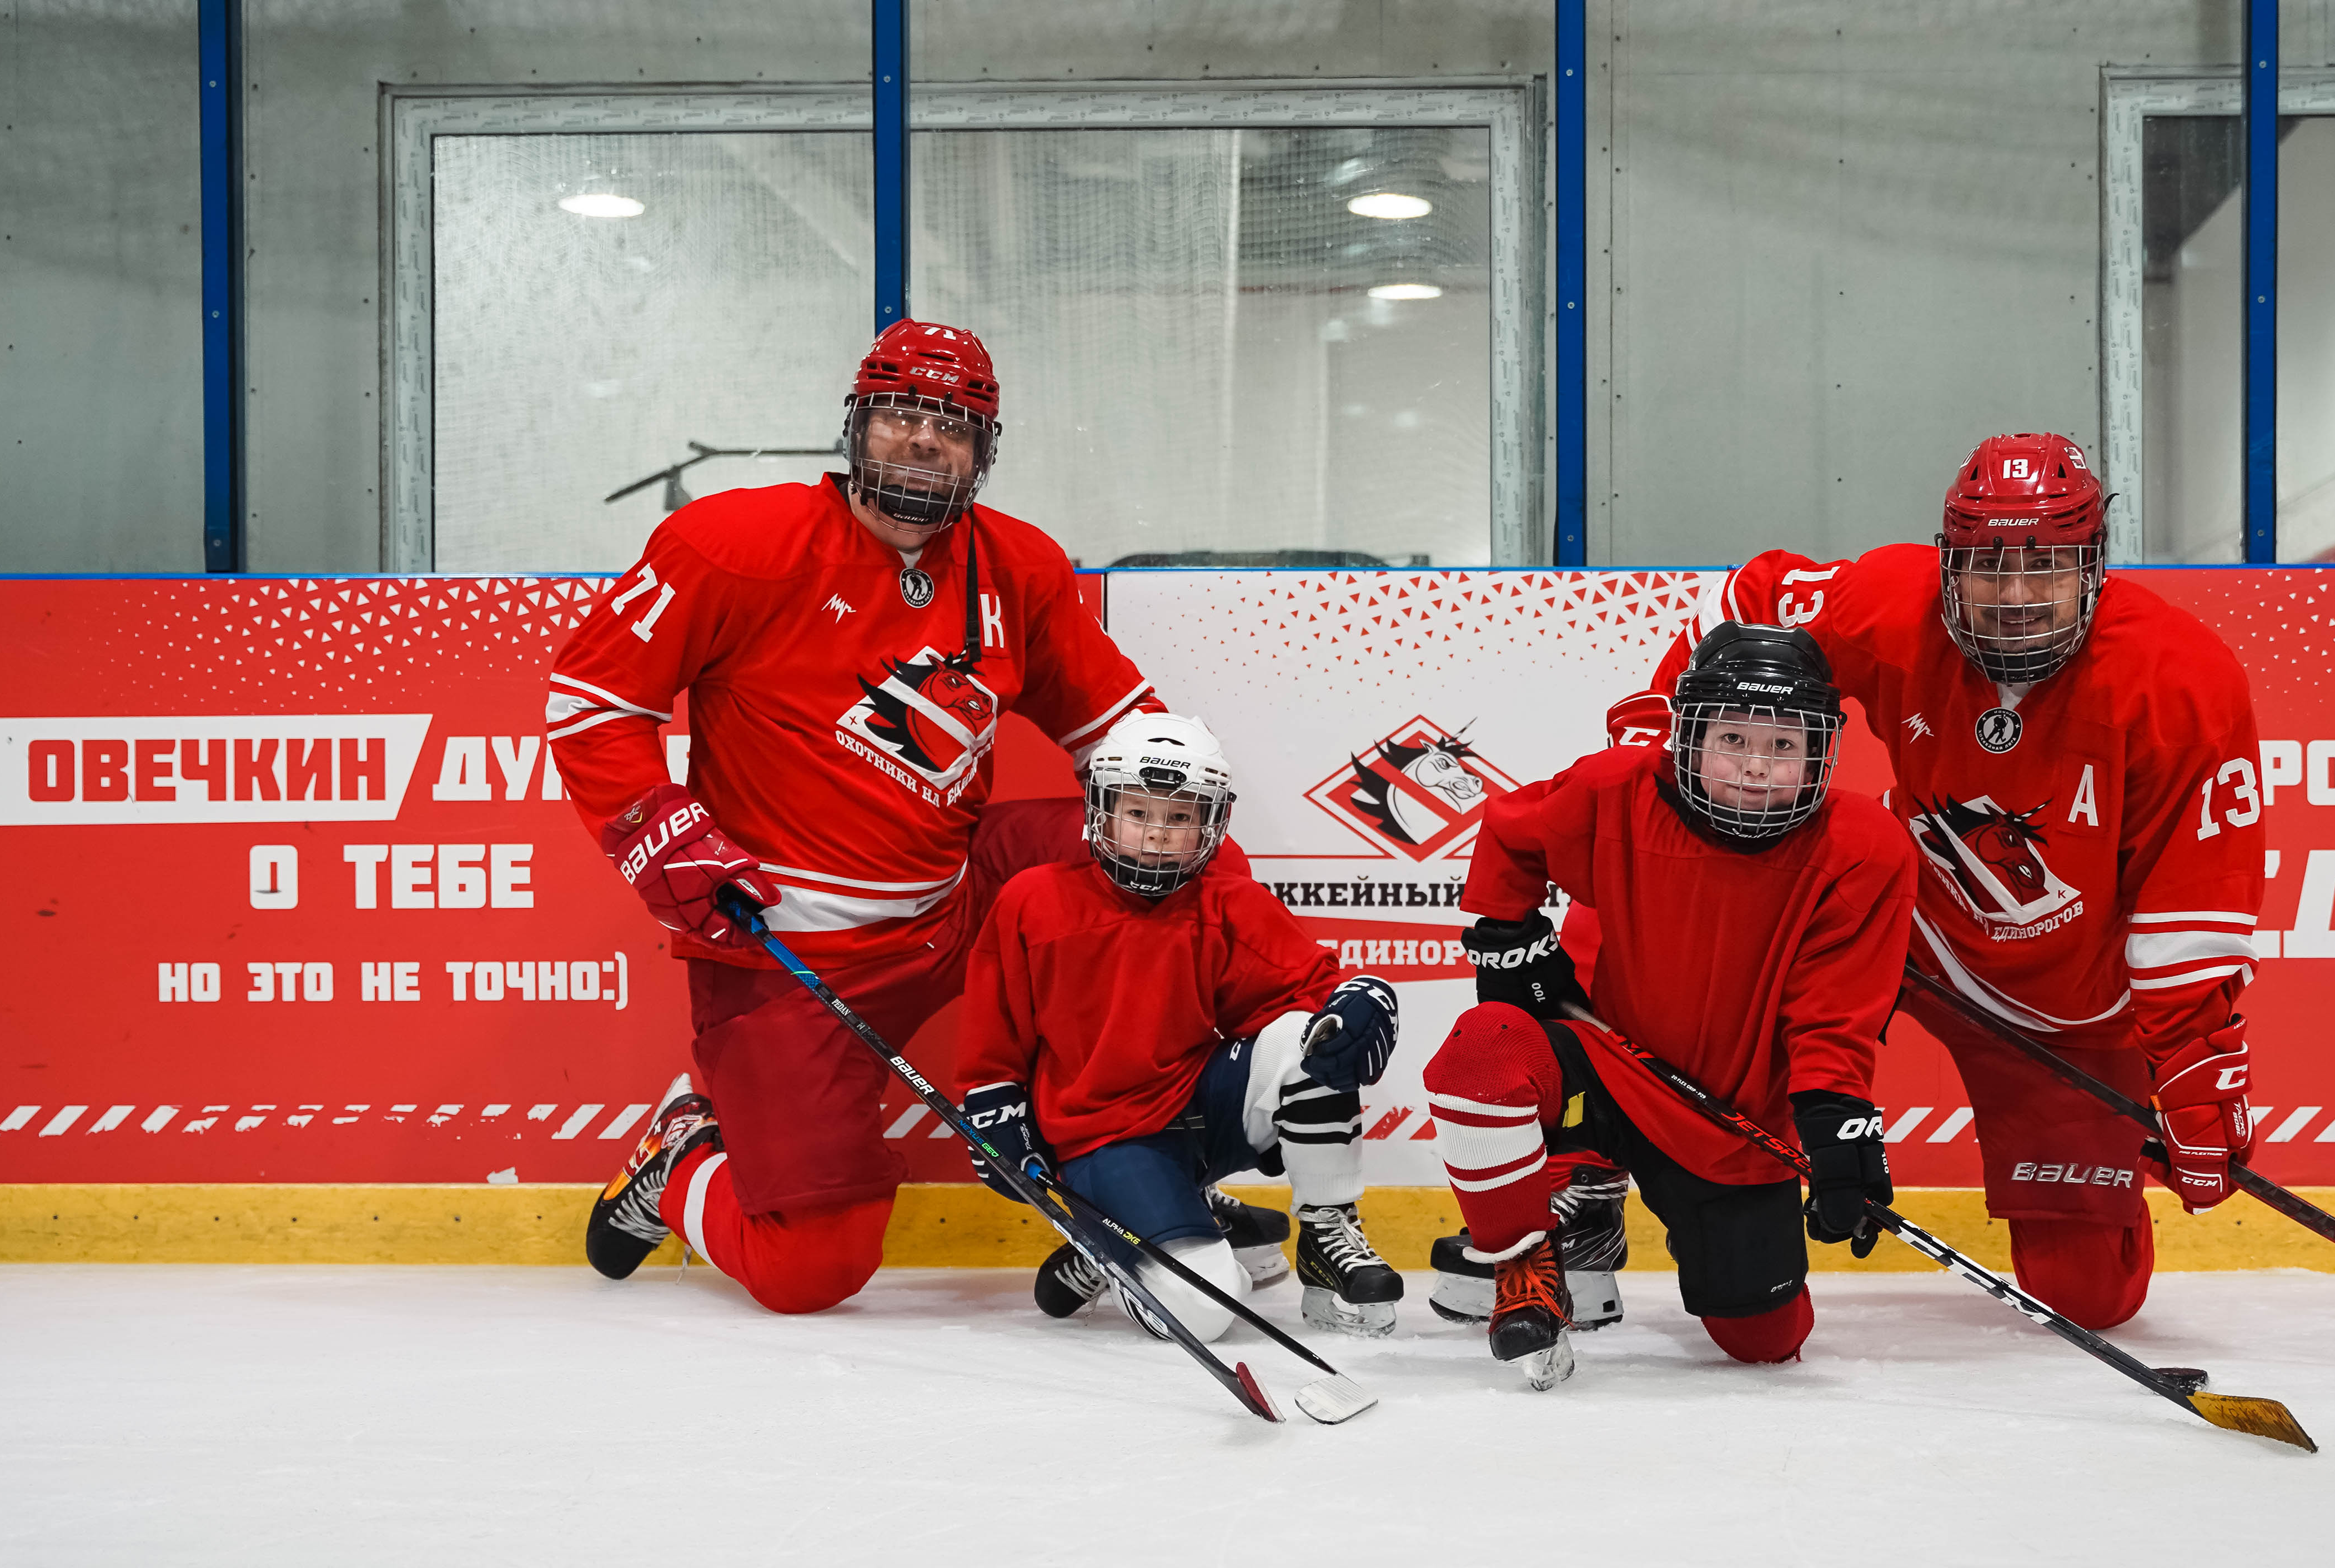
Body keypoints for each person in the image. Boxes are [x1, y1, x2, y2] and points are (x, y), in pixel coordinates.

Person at [557, 320, 1284, 1314]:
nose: (923, 440)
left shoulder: (1018, 564)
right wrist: (658, 827)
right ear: (857, 427)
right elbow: (598, 701)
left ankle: (1167, 1167)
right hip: (787, 950)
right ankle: (684, 1154)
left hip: (959, 895)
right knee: (810, 1270)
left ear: (985, 452)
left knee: (1193, 857)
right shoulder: (734, 545)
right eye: (901, 414)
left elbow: (1124, 733)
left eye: (953, 423)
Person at [1615, 433, 2264, 1332]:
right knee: (1659, 901)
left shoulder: (2179, 678)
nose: (2016, 594)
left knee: (2088, 1297)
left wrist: (2193, 1081)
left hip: (2068, 1012)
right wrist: (1659, 742)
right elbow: (1750, 601)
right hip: (1897, 921)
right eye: (1988, 564)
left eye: (2046, 564)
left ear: (2095, 565)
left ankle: (2101, 1181)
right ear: (1947, 560)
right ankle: (1587, 1179)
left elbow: (2192, 906)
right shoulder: (1894, 600)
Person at [1424, 622, 1915, 1389]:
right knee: (1485, 1047)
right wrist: (1508, 930)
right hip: (1610, 1067)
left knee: (1765, 1339)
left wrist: (1834, 1124)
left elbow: (1834, 1011)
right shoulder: (1613, 790)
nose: (1755, 768)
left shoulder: (1867, 848)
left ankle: (1589, 1196)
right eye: (1731, 738)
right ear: (1685, 735)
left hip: (1728, 1124)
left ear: (1822, 751)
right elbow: (1512, 833)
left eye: (1784, 745)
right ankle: (1533, 1252)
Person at [947, 715, 1404, 1338]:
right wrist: (994, 1108)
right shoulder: (1033, 901)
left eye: (1180, 818)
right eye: (1138, 812)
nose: (1157, 836)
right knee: (1208, 1311)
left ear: (1211, 824)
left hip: (1196, 1110)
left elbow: (1311, 996)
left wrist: (1362, 998)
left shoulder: (1226, 900)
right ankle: (1110, 1243)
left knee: (1312, 1039)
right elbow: (993, 1049)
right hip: (1106, 1140)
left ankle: (1327, 1236)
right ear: (1101, 811)